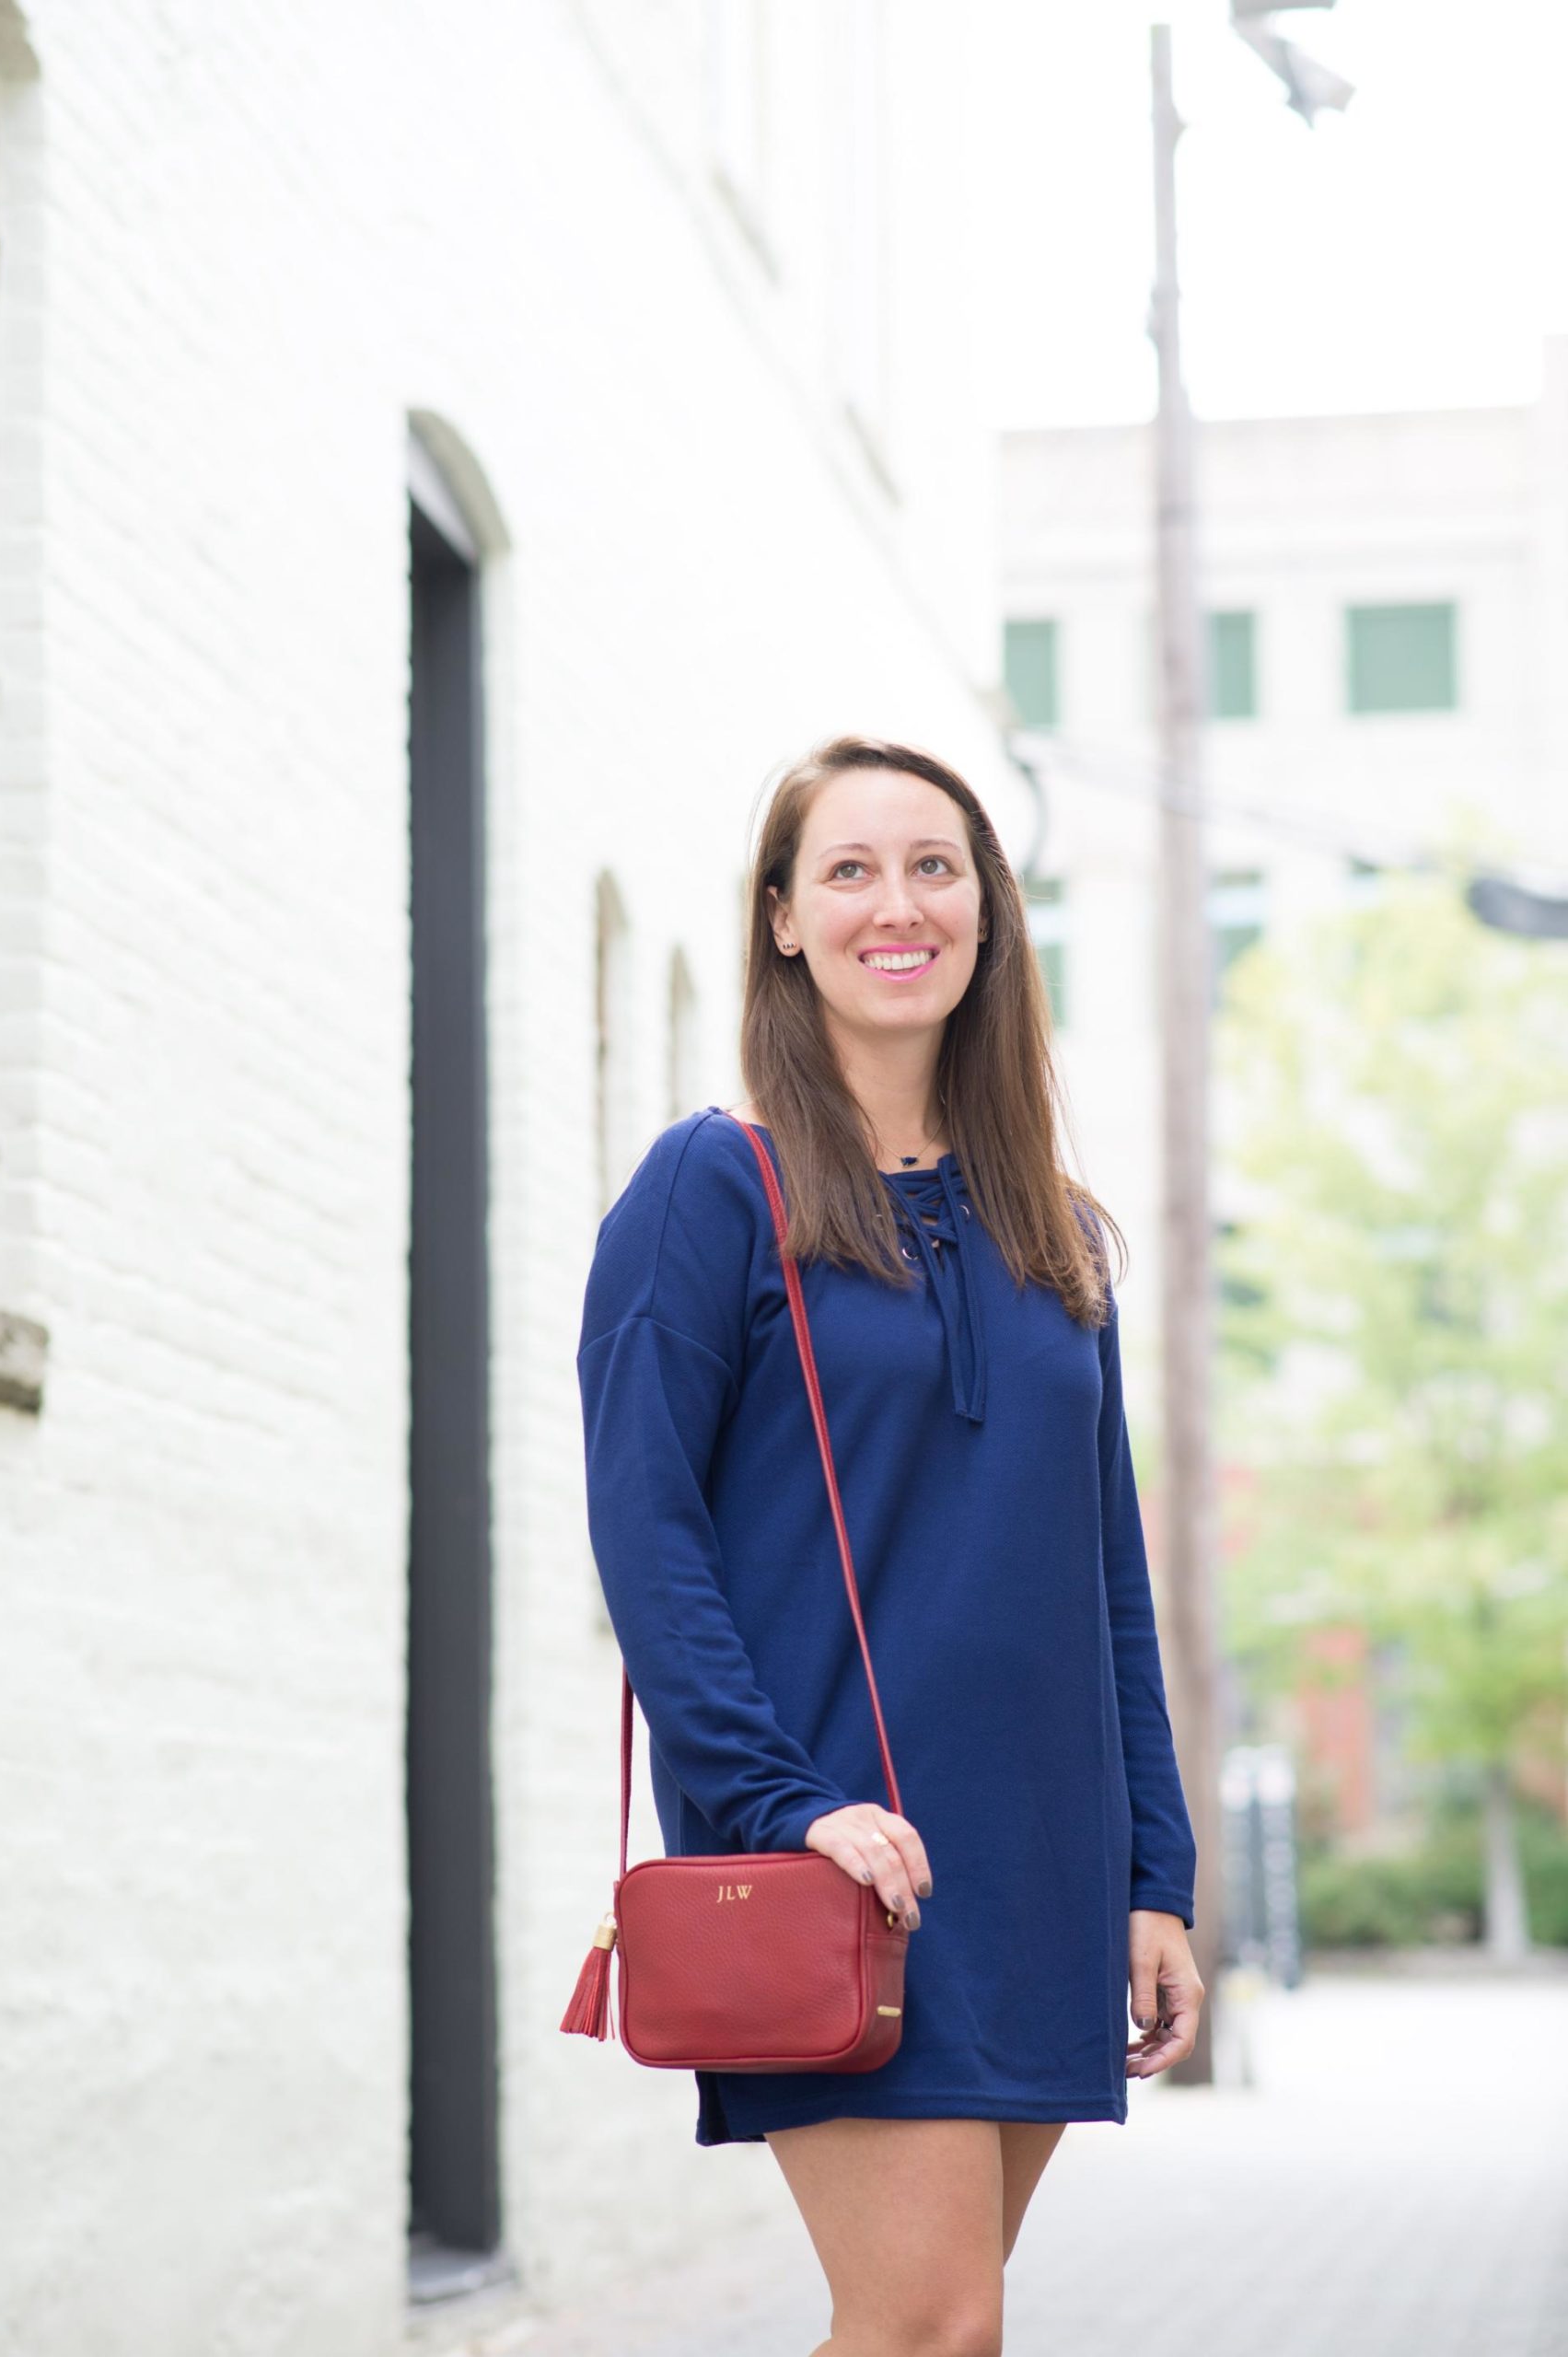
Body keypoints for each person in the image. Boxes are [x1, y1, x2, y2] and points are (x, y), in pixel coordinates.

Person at [575, 734, 1202, 2356]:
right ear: (781, 919)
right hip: (847, 1855)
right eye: (846, 870)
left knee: (936, 2330)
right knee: (930, 2324)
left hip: (1042, 1858)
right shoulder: (712, 1186)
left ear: (987, 913)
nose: (895, 904)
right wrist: (784, 1804)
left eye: (935, 867)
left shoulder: (1050, 1228)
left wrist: (1153, 1871)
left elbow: (1104, 1574)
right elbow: (646, 1536)